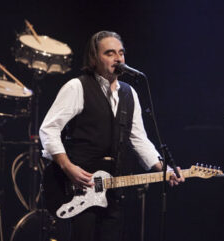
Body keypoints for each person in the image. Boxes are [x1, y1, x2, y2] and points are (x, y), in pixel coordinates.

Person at [39, 30, 184, 241]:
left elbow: (139, 139)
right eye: (109, 53)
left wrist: (165, 170)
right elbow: (49, 129)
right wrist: (67, 167)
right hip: (79, 187)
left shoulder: (129, 93)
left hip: (112, 189)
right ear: (94, 58)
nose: (118, 58)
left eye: (121, 53)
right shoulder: (77, 87)